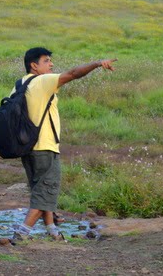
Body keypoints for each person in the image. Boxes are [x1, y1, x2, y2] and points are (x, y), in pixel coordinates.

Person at [11, 47, 116, 241]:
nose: (51, 64)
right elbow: (73, 74)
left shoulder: (19, 84)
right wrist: (97, 63)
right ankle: (21, 234)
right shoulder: (42, 81)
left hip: (27, 149)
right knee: (45, 192)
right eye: (46, 61)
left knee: (41, 190)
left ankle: (52, 230)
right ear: (34, 65)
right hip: (44, 147)